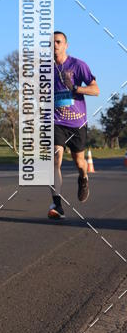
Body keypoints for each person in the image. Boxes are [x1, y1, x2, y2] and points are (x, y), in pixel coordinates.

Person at [48, 31, 99, 219]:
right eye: (51, 42)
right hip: (56, 121)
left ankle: (83, 178)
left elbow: (96, 90)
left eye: (58, 42)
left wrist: (75, 88)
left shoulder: (78, 65)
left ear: (66, 45)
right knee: (55, 160)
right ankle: (57, 204)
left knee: (79, 162)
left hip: (77, 122)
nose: (55, 45)